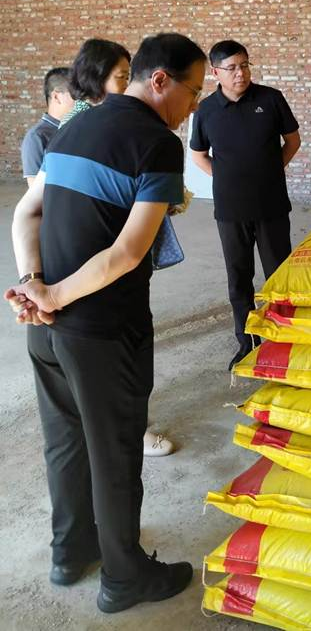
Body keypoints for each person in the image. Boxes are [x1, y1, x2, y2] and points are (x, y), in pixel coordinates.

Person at [4, 32, 206, 613]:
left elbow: (27, 212)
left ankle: (70, 552)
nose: (194, 106)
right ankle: (123, 578)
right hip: (103, 331)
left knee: (65, 441)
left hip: (47, 330)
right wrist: (53, 294)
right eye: (194, 91)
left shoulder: (73, 126)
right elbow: (126, 254)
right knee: (115, 453)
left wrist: (34, 286)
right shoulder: (157, 145)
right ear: (160, 80)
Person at [60, 37, 173, 458]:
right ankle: (133, 432)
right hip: (91, 276)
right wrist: (48, 293)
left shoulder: (105, 123)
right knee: (112, 378)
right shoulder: (84, 124)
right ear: (96, 78)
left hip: (95, 273)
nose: (128, 86)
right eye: (122, 77)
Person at [190, 40, 301, 370]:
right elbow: (198, 155)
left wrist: (270, 171)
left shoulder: (270, 99)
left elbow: (292, 141)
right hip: (230, 210)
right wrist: (226, 178)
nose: (240, 73)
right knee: (239, 277)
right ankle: (247, 340)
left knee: (279, 276)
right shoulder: (206, 110)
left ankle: (283, 338)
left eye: (244, 65)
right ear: (216, 72)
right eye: (232, 68)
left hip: (271, 205)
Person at [60, 38, 131, 127]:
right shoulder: (74, 122)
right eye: (121, 77)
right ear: (96, 77)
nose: (126, 86)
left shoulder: (112, 114)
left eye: (127, 78)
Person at [21, 68, 74, 185]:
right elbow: (35, 187)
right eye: (75, 94)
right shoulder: (36, 137)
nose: (81, 100)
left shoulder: (76, 128)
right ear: (56, 97)